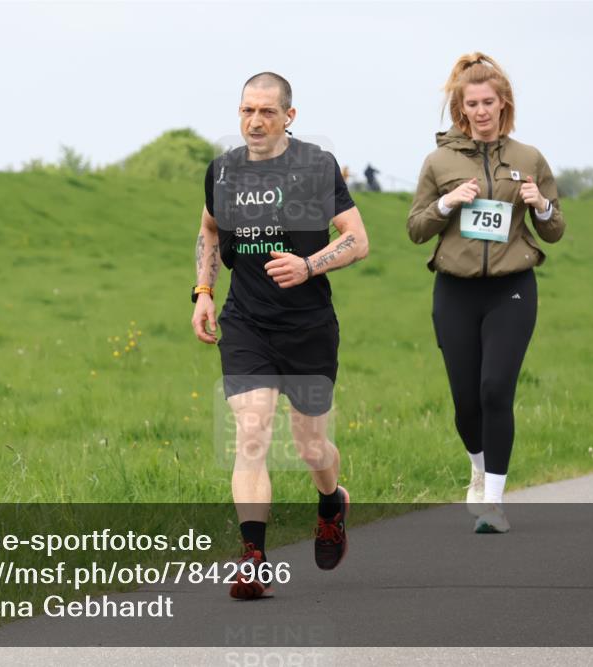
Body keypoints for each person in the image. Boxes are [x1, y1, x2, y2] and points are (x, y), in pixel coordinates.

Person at [191, 72, 369, 598]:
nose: (255, 121)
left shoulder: (316, 167)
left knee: (311, 445)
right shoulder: (222, 172)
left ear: (289, 116)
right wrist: (202, 290)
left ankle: (332, 500)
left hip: (308, 326)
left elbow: (357, 240)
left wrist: (309, 265)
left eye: (267, 111)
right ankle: (252, 559)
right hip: (246, 321)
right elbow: (208, 228)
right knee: (251, 432)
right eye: (247, 110)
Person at [407, 52, 565, 534]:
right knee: (465, 401)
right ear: (461, 107)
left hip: (512, 289)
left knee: (496, 389)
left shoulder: (528, 159)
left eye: (488, 102)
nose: (480, 110)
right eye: (471, 103)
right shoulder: (439, 161)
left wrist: (539, 208)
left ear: (503, 105)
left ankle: (494, 502)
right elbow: (415, 228)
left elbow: (555, 229)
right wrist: (446, 202)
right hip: (454, 291)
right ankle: (477, 468)